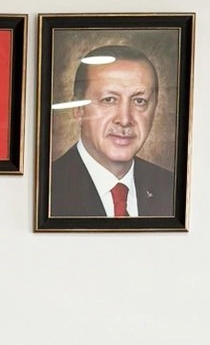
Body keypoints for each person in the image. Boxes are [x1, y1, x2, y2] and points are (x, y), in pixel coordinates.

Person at [49, 46, 176, 218]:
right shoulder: (48, 188)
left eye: (139, 101)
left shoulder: (172, 188)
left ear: (155, 109)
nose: (124, 120)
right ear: (79, 109)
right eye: (109, 100)